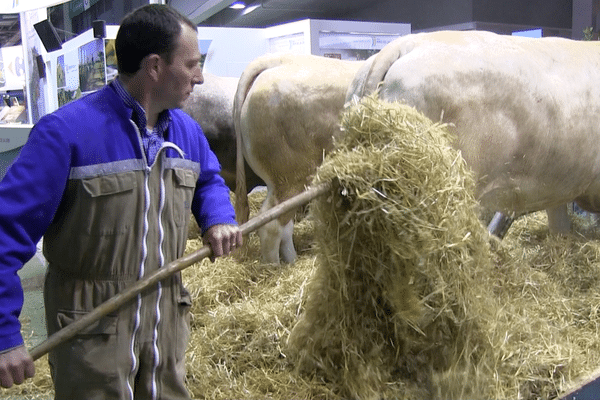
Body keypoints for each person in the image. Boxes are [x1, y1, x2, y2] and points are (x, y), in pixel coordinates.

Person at [0, 4, 242, 399]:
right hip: (92, 329)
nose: (200, 78)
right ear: (154, 67)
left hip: (165, 322)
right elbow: (4, 233)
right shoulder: (66, 134)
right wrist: (5, 335)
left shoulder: (185, 130)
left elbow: (209, 180)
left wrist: (218, 217)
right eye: (192, 64)